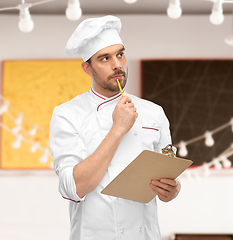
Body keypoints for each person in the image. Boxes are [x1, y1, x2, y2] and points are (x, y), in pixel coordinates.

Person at [49, 15, 181, 240]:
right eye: (104, 58)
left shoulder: (154, 113)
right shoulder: (67, 114)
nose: (117, 65)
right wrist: (118, 129)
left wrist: (172, 189)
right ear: (87, 68)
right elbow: (74, 188)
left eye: (120, 54)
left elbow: (167, 174)